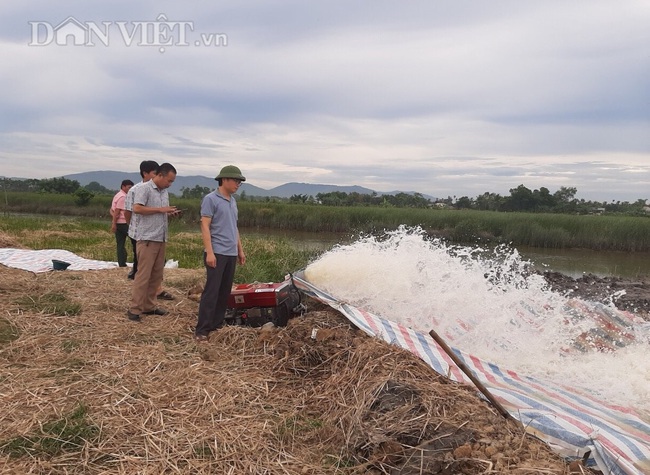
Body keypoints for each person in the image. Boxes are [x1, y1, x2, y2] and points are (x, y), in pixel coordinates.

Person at [195, 165, 247, 342]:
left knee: (224, 291)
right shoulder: (211, 199)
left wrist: (239, 250)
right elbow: (205, 226)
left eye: (240, 182)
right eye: (236, 180)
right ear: (224, 179)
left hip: (230, 253)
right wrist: (210, 253)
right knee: (212, 291)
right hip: (217, 252)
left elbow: (234, 227)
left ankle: (217, 324)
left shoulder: (232, 201)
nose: (238, 184)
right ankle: (202, 329)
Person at [126, 163, 180, 322]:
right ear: (160, 175)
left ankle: (149, 306)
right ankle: (135, 309)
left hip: (161, 237)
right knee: (143, 275)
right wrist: (161, 210)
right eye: (169, 180)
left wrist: (170, 213)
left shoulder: (164, 192)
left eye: (172, 182)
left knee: (156, 275)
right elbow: (137, 209)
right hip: (147, 238)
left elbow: (160, 212)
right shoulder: (144, 189)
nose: (169, 184)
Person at [125, 160, 159, 280]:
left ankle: (140, 277)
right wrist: (131, 226)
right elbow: (128, 211)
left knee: (147, 258)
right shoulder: (135, 190)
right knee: (138, 256)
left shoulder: (159, 190)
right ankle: (137, 277)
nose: (157, 176)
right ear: (145, 173)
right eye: (155, 173)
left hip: (153, 232)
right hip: (137, 231)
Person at [110, 179, 134, 267]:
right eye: (129, 187)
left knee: (120, 244)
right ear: (123, 186)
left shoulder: (117, 195)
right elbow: (117, 211)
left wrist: (114, 222)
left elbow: (111, 210)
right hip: (124, 223)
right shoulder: (123, 197)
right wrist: (114, 223)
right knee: (135, 241)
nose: (130, 189)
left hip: (118, 223)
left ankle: (122, 263)